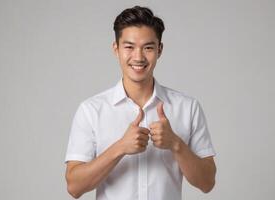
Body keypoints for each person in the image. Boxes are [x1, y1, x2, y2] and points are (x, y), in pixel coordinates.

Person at [64, 5, 216, 200]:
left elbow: (207, 183)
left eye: (148, 48)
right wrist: (120, 147)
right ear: (116, 49)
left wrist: (176, 144)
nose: (138, 57)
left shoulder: (187, 108)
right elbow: (74, 187)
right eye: (129, 47)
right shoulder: (91, 110)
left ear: (159, 50)